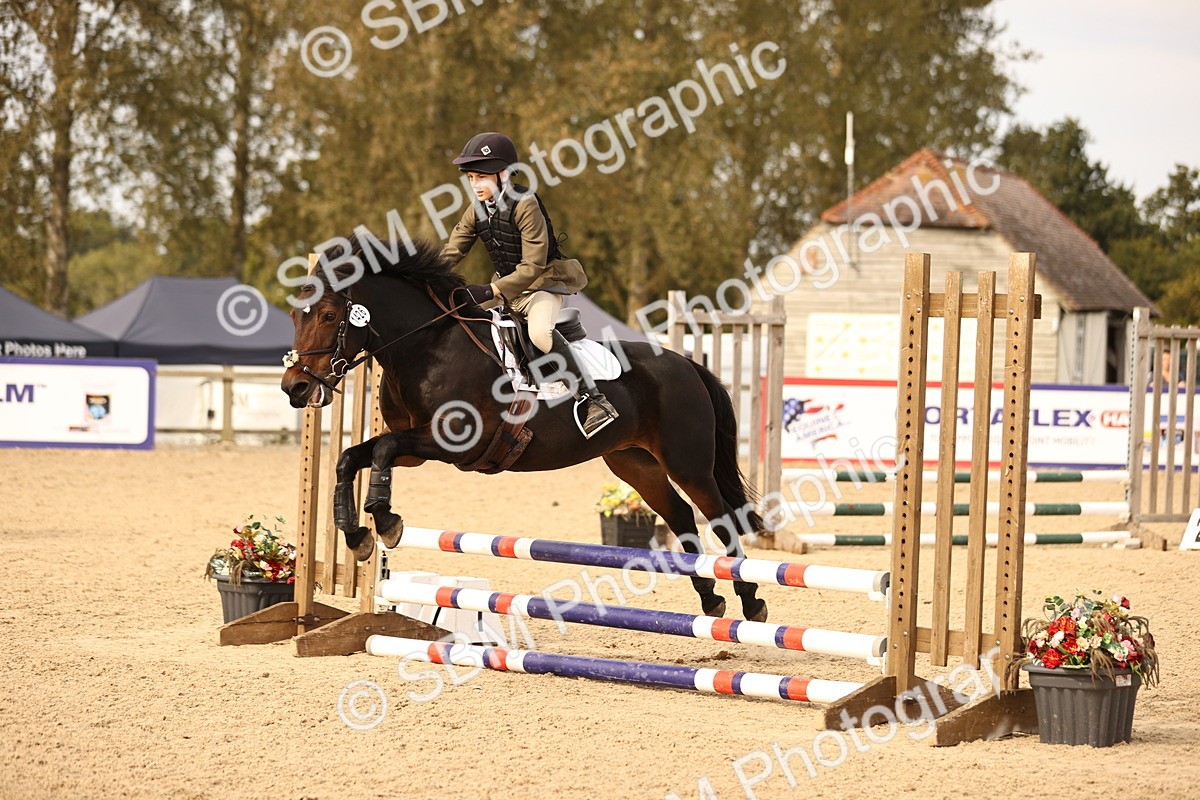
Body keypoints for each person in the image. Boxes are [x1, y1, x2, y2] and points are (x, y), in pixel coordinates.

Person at [440, 131, 618, 438]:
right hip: (507, 293)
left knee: (539, 333)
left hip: (541, 287)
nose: (476, 185)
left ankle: (592, 400)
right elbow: (452, 251)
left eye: (482, 177)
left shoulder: (525, 204)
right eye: (471, 178)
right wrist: (424, 275)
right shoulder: (477, 210)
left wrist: (490, 291)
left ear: (504, 174)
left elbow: (533, 265)